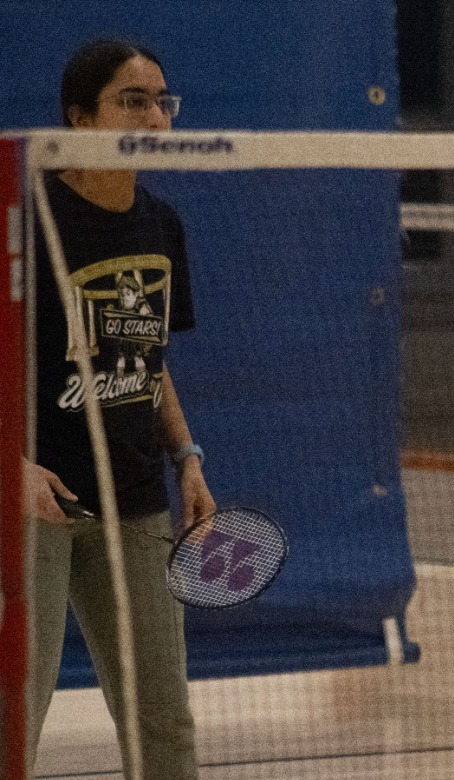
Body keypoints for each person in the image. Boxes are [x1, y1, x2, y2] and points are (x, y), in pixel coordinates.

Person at [22, 38, 214, 780]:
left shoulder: (160, 224)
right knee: (17, 710)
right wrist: (12, 467)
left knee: (162, 714)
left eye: (162, 101)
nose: (154, 116)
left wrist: (188, 458)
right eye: (133, 100)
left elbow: (148, 358)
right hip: (33, 501)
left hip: (135, 499)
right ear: (79, 116)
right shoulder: (27, 216)